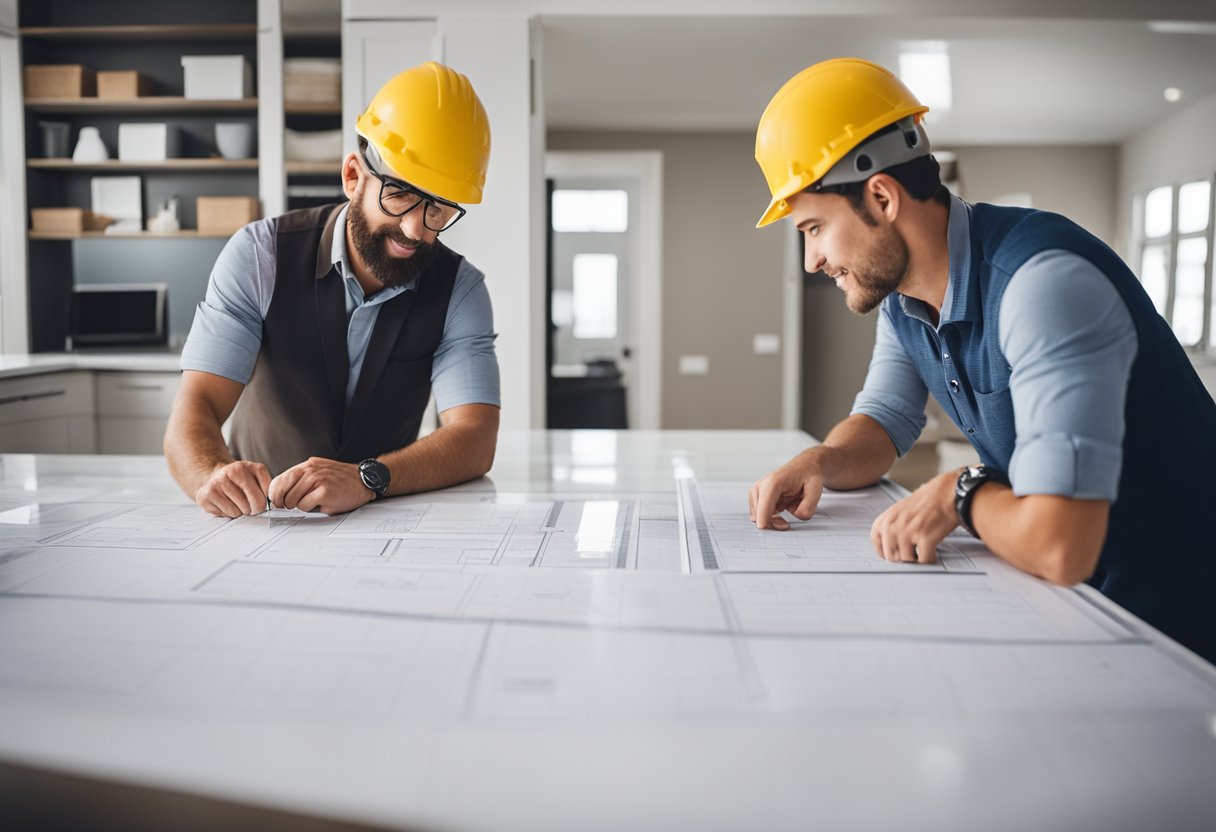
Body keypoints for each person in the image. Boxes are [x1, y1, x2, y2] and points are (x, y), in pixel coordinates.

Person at [747, 57, 1216, 663]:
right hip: (1090, 609)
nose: (811, 260)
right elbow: (885, 419)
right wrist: (822, 458)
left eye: (813, 228)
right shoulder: (904, 297)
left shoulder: (1043, 285)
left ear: (882, 197)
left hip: (1186, 619)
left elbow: (1060, 545)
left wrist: (961, 490)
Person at [165, 61, 500, 518]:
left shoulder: (461, 291)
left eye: (438, 209)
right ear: (352, 177)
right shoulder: (260, 256)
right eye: (398, 193)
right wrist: (211, 474)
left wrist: (368, 478)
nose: (414, 228)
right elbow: (196, 406)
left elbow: (475, 438)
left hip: (384, 520)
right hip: (257, 522)